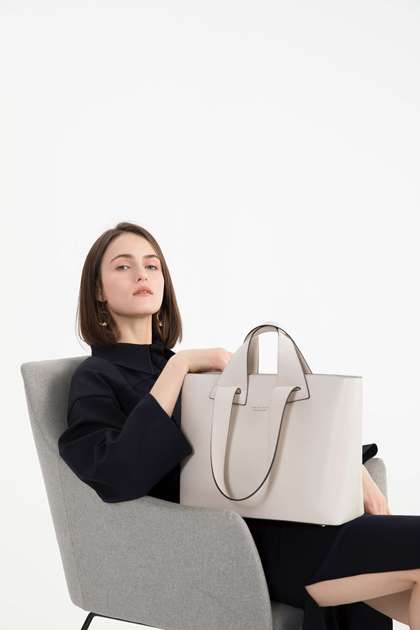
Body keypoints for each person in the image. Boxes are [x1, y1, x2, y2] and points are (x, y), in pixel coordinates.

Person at [58, 221, 420, 630]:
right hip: (226, 547)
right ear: (98, 290)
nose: (142, 274)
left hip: (284, 519)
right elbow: (117, 477)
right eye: (123, 266)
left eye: (152, 265)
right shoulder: (98, 377)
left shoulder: (198, 373)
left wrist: (353, 471)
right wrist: (180, 366)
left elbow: (276, 439)